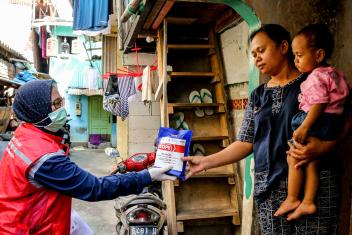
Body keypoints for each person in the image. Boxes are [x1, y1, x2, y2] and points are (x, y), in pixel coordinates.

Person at [182, 24, 348, 234]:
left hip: (314, 187)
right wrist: (205, 162)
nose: (257, 58)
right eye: (253, 54)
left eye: (261, 50)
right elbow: (246, 141)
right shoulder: (258, 95)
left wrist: (323, 148)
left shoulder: (313, 80)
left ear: (283, 47)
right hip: (269, 190)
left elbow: (346, 119)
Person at [0, 79, 175, 234]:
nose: (62, 108)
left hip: (28, 215)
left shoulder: (24, 134)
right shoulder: (44, 157)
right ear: (36, 110)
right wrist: (147, 176)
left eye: (61, 101)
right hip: (26, 227)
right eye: (56, 103)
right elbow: (94, 188)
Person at [274, 24, 349, 220]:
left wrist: (305, 126)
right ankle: (307, 202)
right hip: (333, 123)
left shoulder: (316, 77)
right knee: (312, 162)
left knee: (293, 157)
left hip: (318, 121)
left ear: (318, 55)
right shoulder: (335, 74)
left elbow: (319, 102)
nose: (295, 60)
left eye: (299, 55)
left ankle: (292, 198)